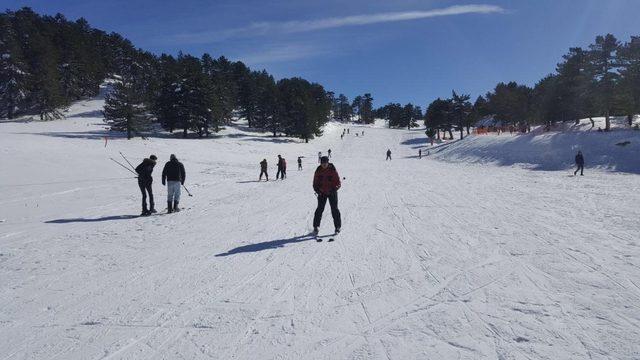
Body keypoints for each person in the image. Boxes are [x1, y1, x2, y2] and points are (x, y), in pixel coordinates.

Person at [313, 156, 342, 235]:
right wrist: (317, 190)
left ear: (328, 162)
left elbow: (338, 183)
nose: (324, 165)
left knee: (334, 209)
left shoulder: (332, 170)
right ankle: (316, 226)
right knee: (319, 209)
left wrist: (334, 189)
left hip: (332, 192)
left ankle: (337, 227)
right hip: (322, 193)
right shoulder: (318, 170)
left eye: (325, 163)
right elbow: (315, 182)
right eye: (322, 163)